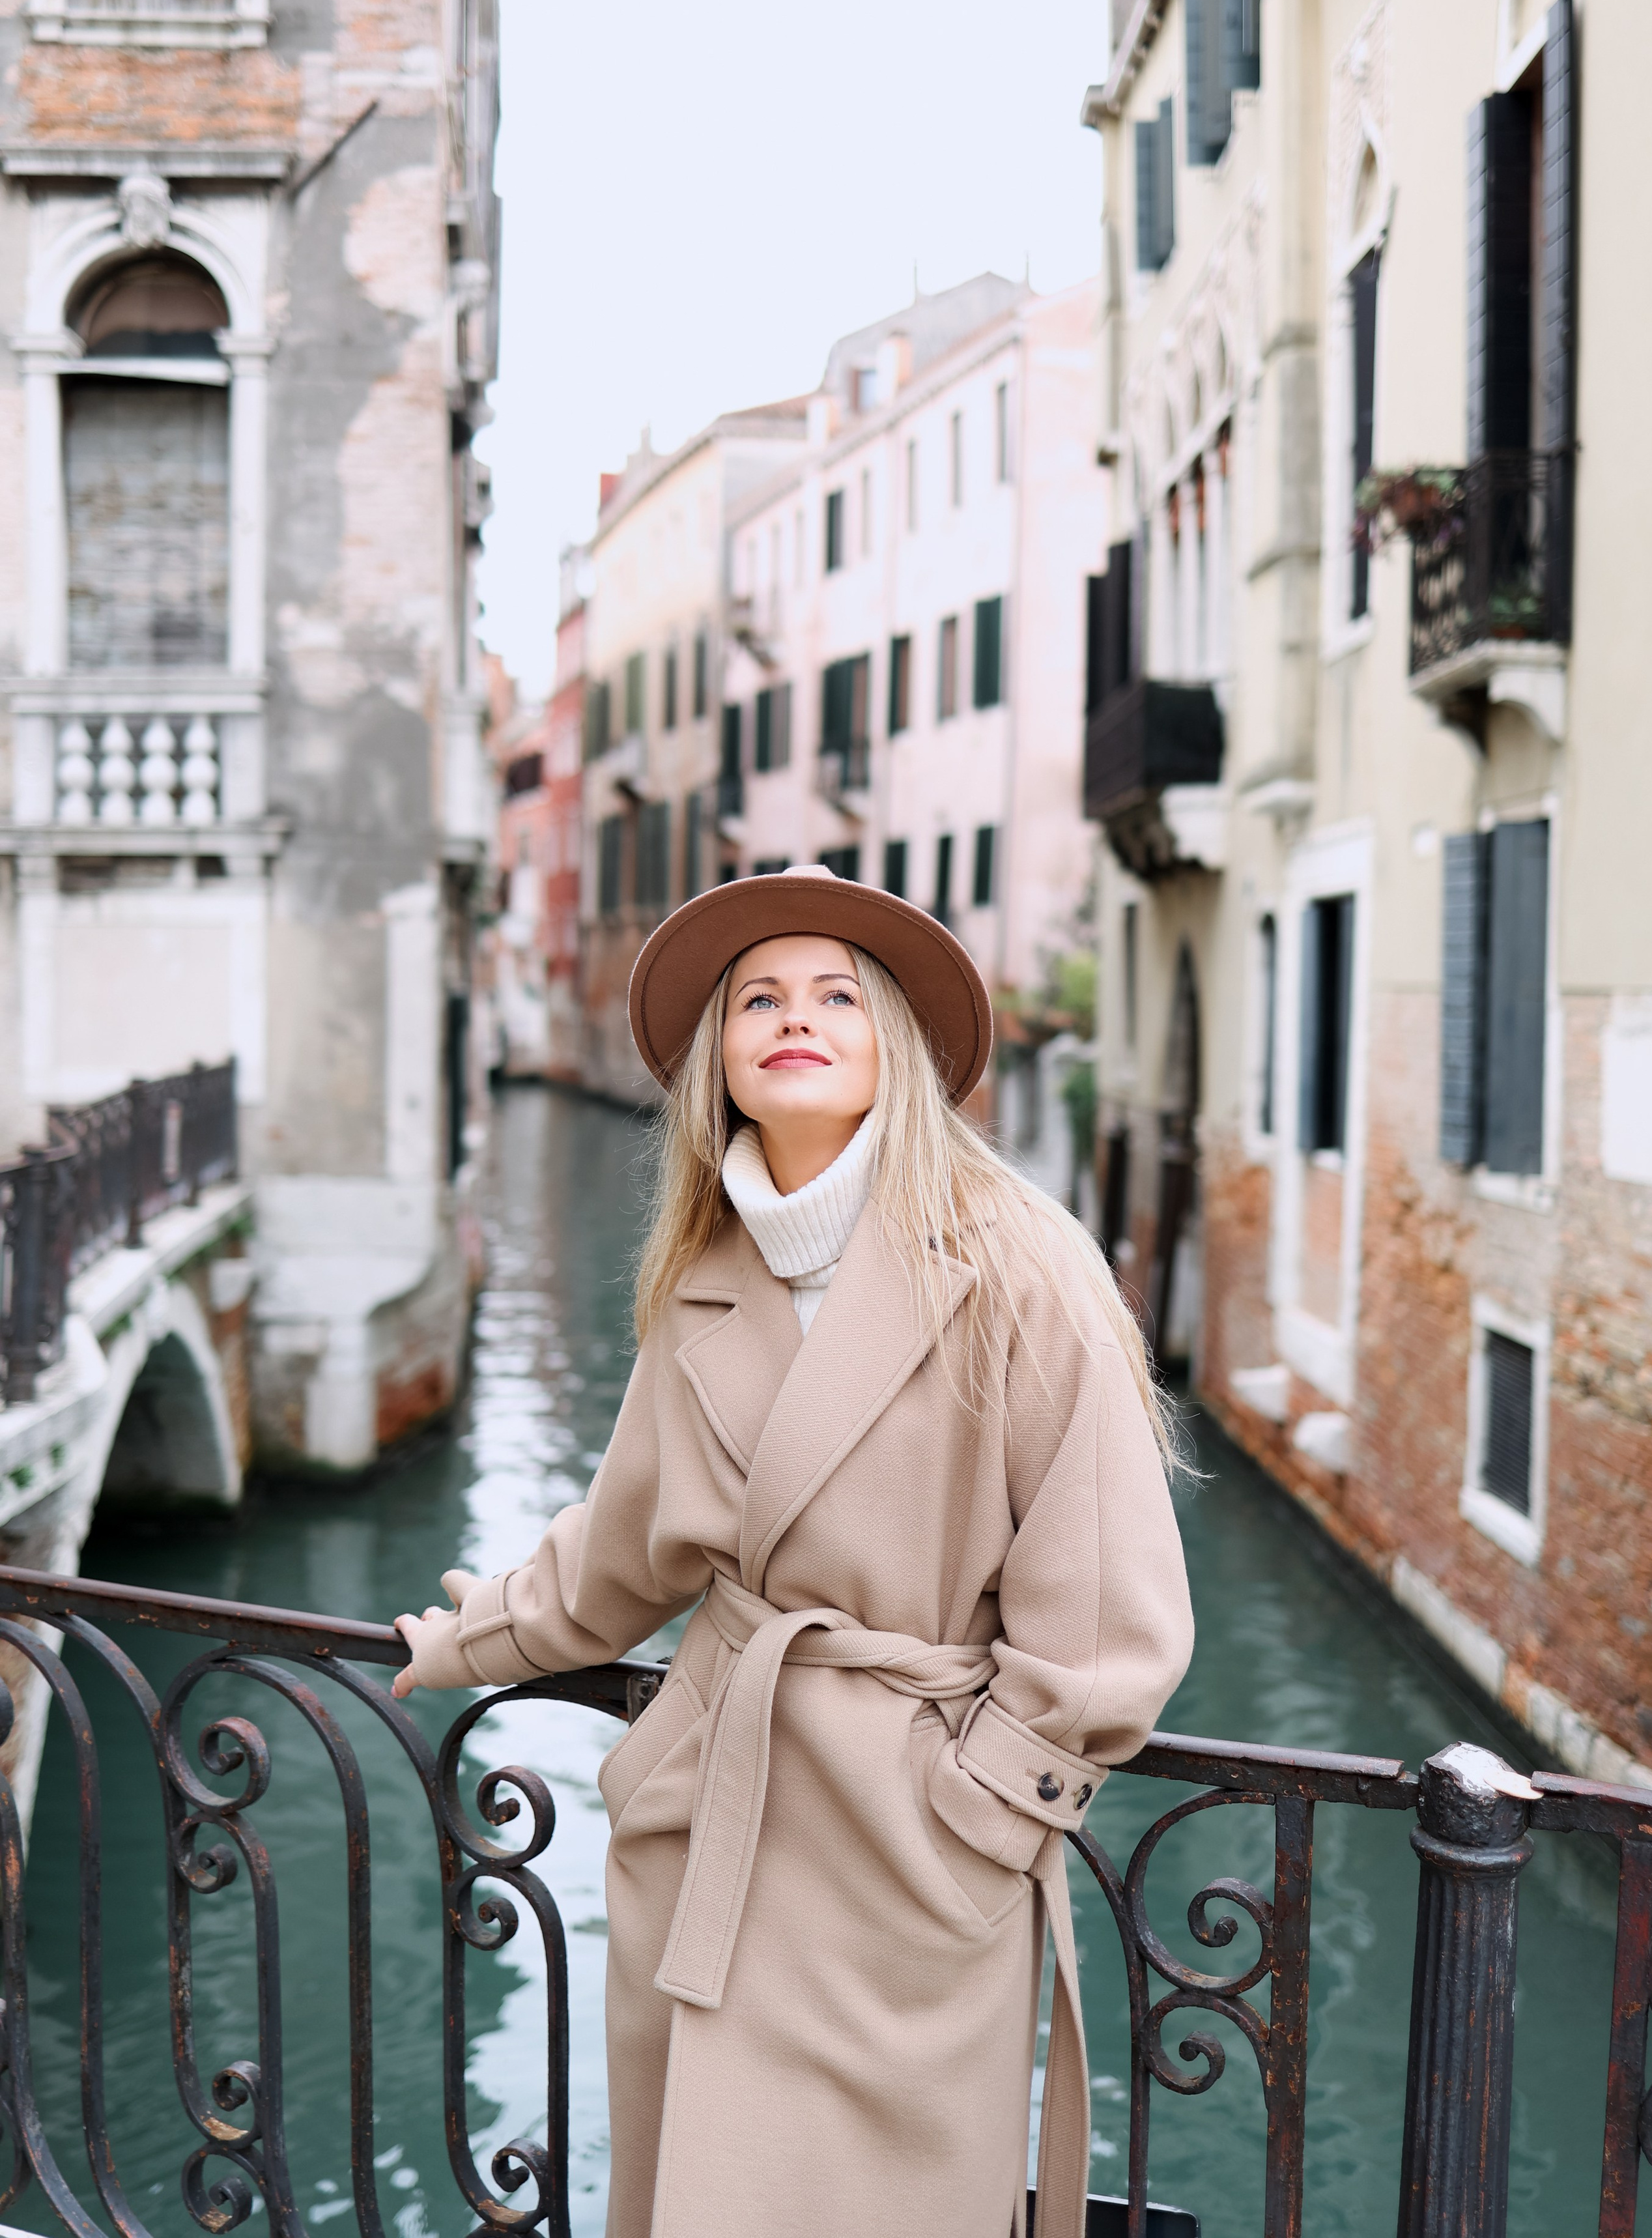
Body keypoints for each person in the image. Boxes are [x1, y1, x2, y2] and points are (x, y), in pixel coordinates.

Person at [393, 864, 1192, 2238]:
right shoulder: (702, 1271)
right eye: (756, 997)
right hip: (709, 1813)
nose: (791, 1017)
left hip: (909, 1852)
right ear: (721, 1060)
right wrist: (476, 1637)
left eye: (835, 994)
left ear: (893, 1043)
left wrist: (979, 1814)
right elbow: (626, 1549)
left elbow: (1109, 1612)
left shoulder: (1017, 1262)